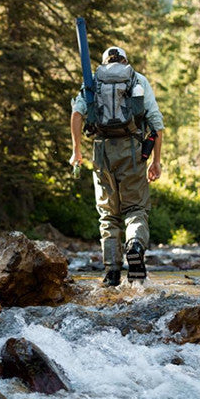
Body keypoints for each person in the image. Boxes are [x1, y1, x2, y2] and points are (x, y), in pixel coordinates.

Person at [70, 45, 164, 286]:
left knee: (108, 215)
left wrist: (76, 151)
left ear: (105, 62)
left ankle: (112, 272)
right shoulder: (137, 79)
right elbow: (156, 124)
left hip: (101, 151)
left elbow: (77, 115)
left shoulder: (94, 80)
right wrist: (156, 162)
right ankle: (134, 245)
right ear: (125, 60)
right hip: (132, 149)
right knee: (135, 208)